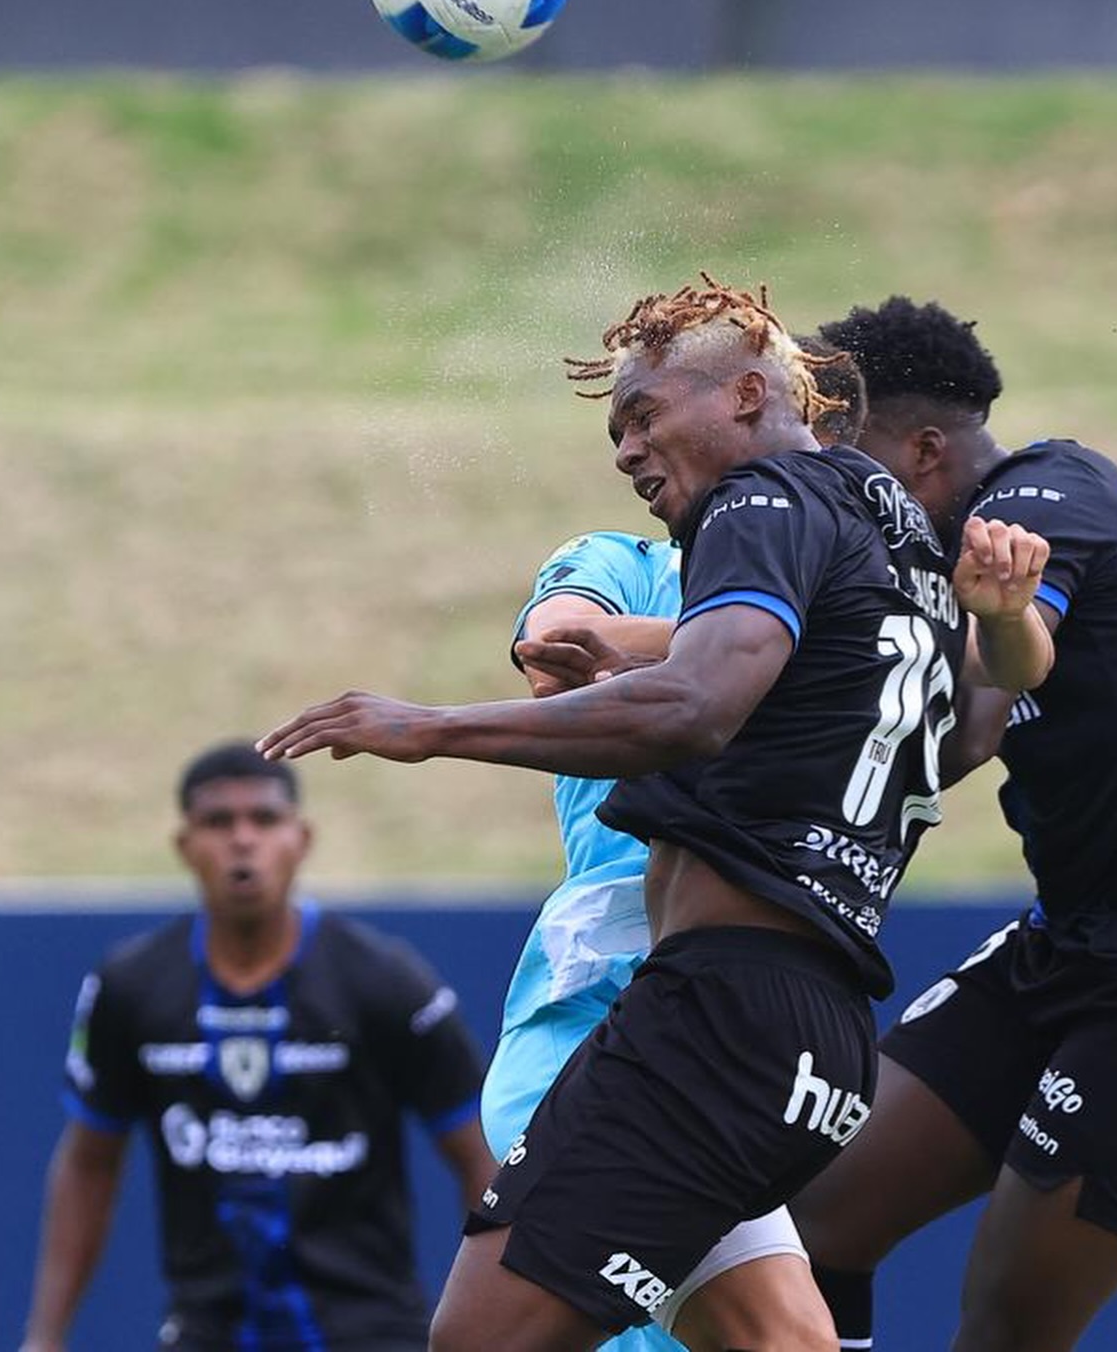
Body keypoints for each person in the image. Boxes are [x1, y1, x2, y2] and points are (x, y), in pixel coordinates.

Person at [257, 279, 1054, 1352]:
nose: (626, 449)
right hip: (812, 1029)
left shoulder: (763, 501)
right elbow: (958, 738)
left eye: (641, 415)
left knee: (477, 1342)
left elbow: (691, 707)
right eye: (614, 430)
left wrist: (427, 725)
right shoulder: (894, 541)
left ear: (745, 394)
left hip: (706, 1015)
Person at [787, 298, 1117, 1352]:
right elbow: (787, 646)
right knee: (811, 1217)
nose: (827, 480)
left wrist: (1000, 620)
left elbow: (998, 685)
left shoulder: (1050, 499)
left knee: (1006, 1324)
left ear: (919, 452)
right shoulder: (926, 554)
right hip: (1070, 943)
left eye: (841, 452)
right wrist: (630, 652)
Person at [476, 344, 870, 1352]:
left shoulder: (864, 603)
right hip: (595, 1022)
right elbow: (556, 653)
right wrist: (763, 632)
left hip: (728, 1042)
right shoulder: (626, 564)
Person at [20, 740, 496, 1352]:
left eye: (264, 819)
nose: (243, 840)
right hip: (204, 1332)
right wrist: (45, 1337)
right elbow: (89, 1162)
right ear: (185, 845)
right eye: (218, 822)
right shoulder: (131, 987)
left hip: (370, 1333)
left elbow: (479, 1158)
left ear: (302, 838)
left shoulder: (384, 980)